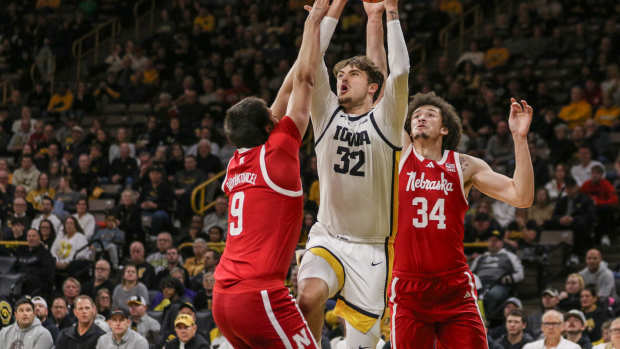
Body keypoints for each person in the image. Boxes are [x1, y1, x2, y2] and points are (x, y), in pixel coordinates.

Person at [212, 1, 328, 347]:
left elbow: (281, 96)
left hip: (223, 298)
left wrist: (315, 31)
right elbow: (304, 80)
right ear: (269, 127)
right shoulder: (278, 153)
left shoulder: (238, 161)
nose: (278, 114)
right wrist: (314, 22)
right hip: (258, 295)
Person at [298, 0, 410, 346]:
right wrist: (315, 20)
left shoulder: (387, 120)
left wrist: (390, 14)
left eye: (353, 75)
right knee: (307, 298)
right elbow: (310, 64)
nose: (342, 79)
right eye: (340, 75)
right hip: (328, 235)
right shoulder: (327, 112)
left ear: (373, 87)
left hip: (372, 248)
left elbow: (401, 72)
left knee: (361, 344)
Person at [391, 92, 534, 348]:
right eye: (416, 115)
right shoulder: (400, 158)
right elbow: (391, 87)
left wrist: (519, 139)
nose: (421, 118)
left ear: (445, 128)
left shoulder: (464, 165)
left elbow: (521, 196)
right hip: (409, 288)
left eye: (430, 114)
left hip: (454, 288)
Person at [15, 228, 55, 296]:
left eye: (34, 236)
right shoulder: (21, 251)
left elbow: (47, 272)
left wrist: (29, 273)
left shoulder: (45, 253)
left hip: (38, 287)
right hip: (21, 284)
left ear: (39, 238)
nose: (31, 238)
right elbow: (15, 267)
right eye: (29, 236)